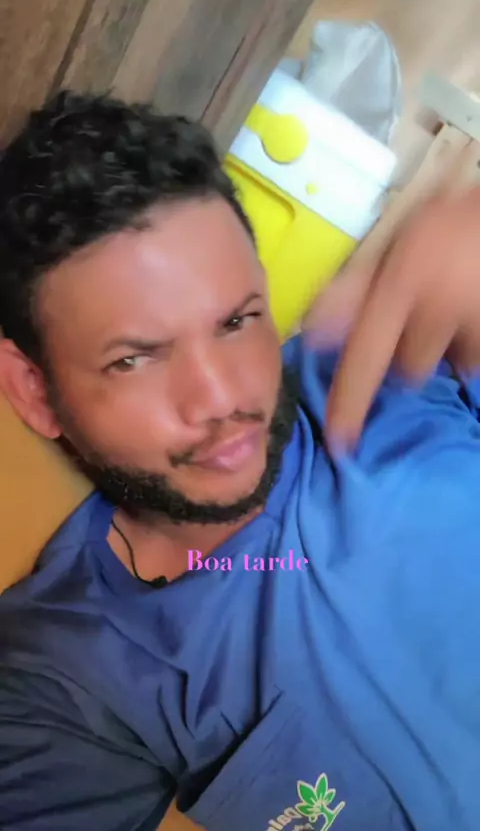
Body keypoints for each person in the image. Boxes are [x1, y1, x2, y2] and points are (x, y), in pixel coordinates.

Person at [0, 91, 479, 831]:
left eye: (236, 320)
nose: (222, 396)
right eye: (134, 359)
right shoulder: (71, 674)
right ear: (35, 391)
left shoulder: (385, 370)